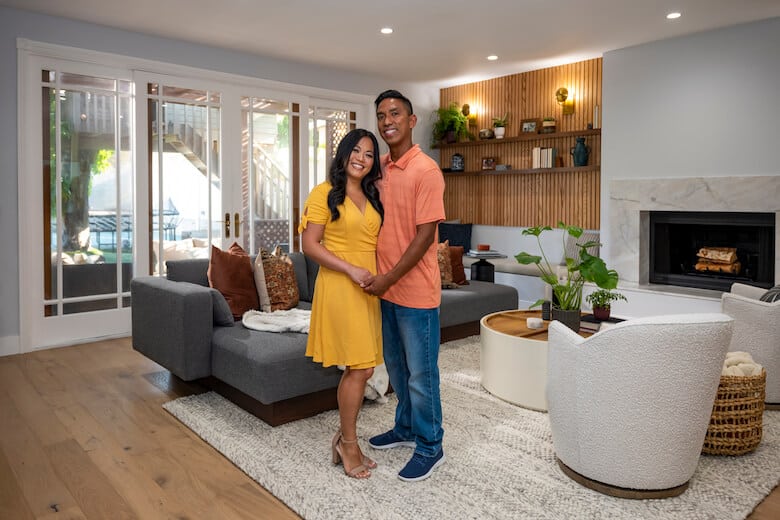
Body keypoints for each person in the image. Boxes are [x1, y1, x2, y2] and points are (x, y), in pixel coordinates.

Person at [362, 90, 447, 482]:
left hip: (413, 292)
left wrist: (389, 278)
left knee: (421, 374)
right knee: (396, 369)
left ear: (412, 121)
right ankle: (406, 428)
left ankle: (431, 445)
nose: (386, 121)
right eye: (381, 115)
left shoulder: (426, 170)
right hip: (384, 291)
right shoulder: (377, 169)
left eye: (394, 113)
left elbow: (425, 235)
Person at [299, 128, 384, 479]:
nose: (362, 158)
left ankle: (345, 438)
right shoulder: (324, 193)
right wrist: (350, 268)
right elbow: (310, 244)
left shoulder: (372, 194)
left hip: (368, 287)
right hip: (339, 284)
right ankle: (348, 443)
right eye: (357, 151)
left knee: (363, 367)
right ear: (344, 153)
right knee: (361, 368)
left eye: (369, 154)